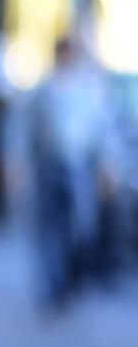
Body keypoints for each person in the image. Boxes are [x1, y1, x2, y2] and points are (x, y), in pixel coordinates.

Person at [30, 36, 117, 311]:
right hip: (50, 165)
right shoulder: (45, 89)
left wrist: (106, 165)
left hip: (80, 165)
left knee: (81, 225)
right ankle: (55, 284)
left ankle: (72, 276)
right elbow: (25, 127)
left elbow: (104, 130)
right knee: (51, 228)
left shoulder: (90, 89)